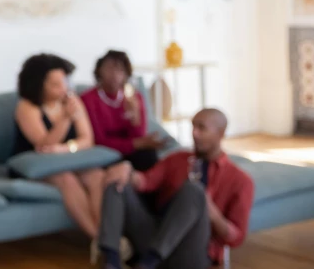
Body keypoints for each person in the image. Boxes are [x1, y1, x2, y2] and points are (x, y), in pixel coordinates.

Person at [97, 109, 255, 269]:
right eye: (193, 127)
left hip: (191, 252)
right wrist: (127, 169)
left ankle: (149, 262)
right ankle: (111, 262)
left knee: (194, 190)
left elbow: (236, 238)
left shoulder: (240, 180)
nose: (194, 133)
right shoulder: (177, 159)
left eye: (202, 128)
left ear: (220, 134)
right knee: (116, 180)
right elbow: (145, 181)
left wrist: (212, 213)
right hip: (153, 238)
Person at [12, 54, 106, 242]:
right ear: (38, 86)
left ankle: (107, 237)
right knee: (67, 180)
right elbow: (43, 144)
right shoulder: (26, 107)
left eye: (63, 82)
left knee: (96, 175)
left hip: (67, 160)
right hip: (35, 166)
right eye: (55, 85)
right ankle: (98, 238)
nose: (63, 88)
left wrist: (64, 149)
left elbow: (87, 140)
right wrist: (65, 119)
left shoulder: (72, 100)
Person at [81, 50, 166, 172]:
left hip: (131, 152)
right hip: (105, 152)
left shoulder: (135, 97)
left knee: (148, 154)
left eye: (120, 70)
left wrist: (135, 117)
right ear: (99, 71)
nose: (115, 74)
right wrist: (134, 144)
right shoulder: (88, 99)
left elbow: (139, 136)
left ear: (126, 75)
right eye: (109, 68)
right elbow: (97, 140)